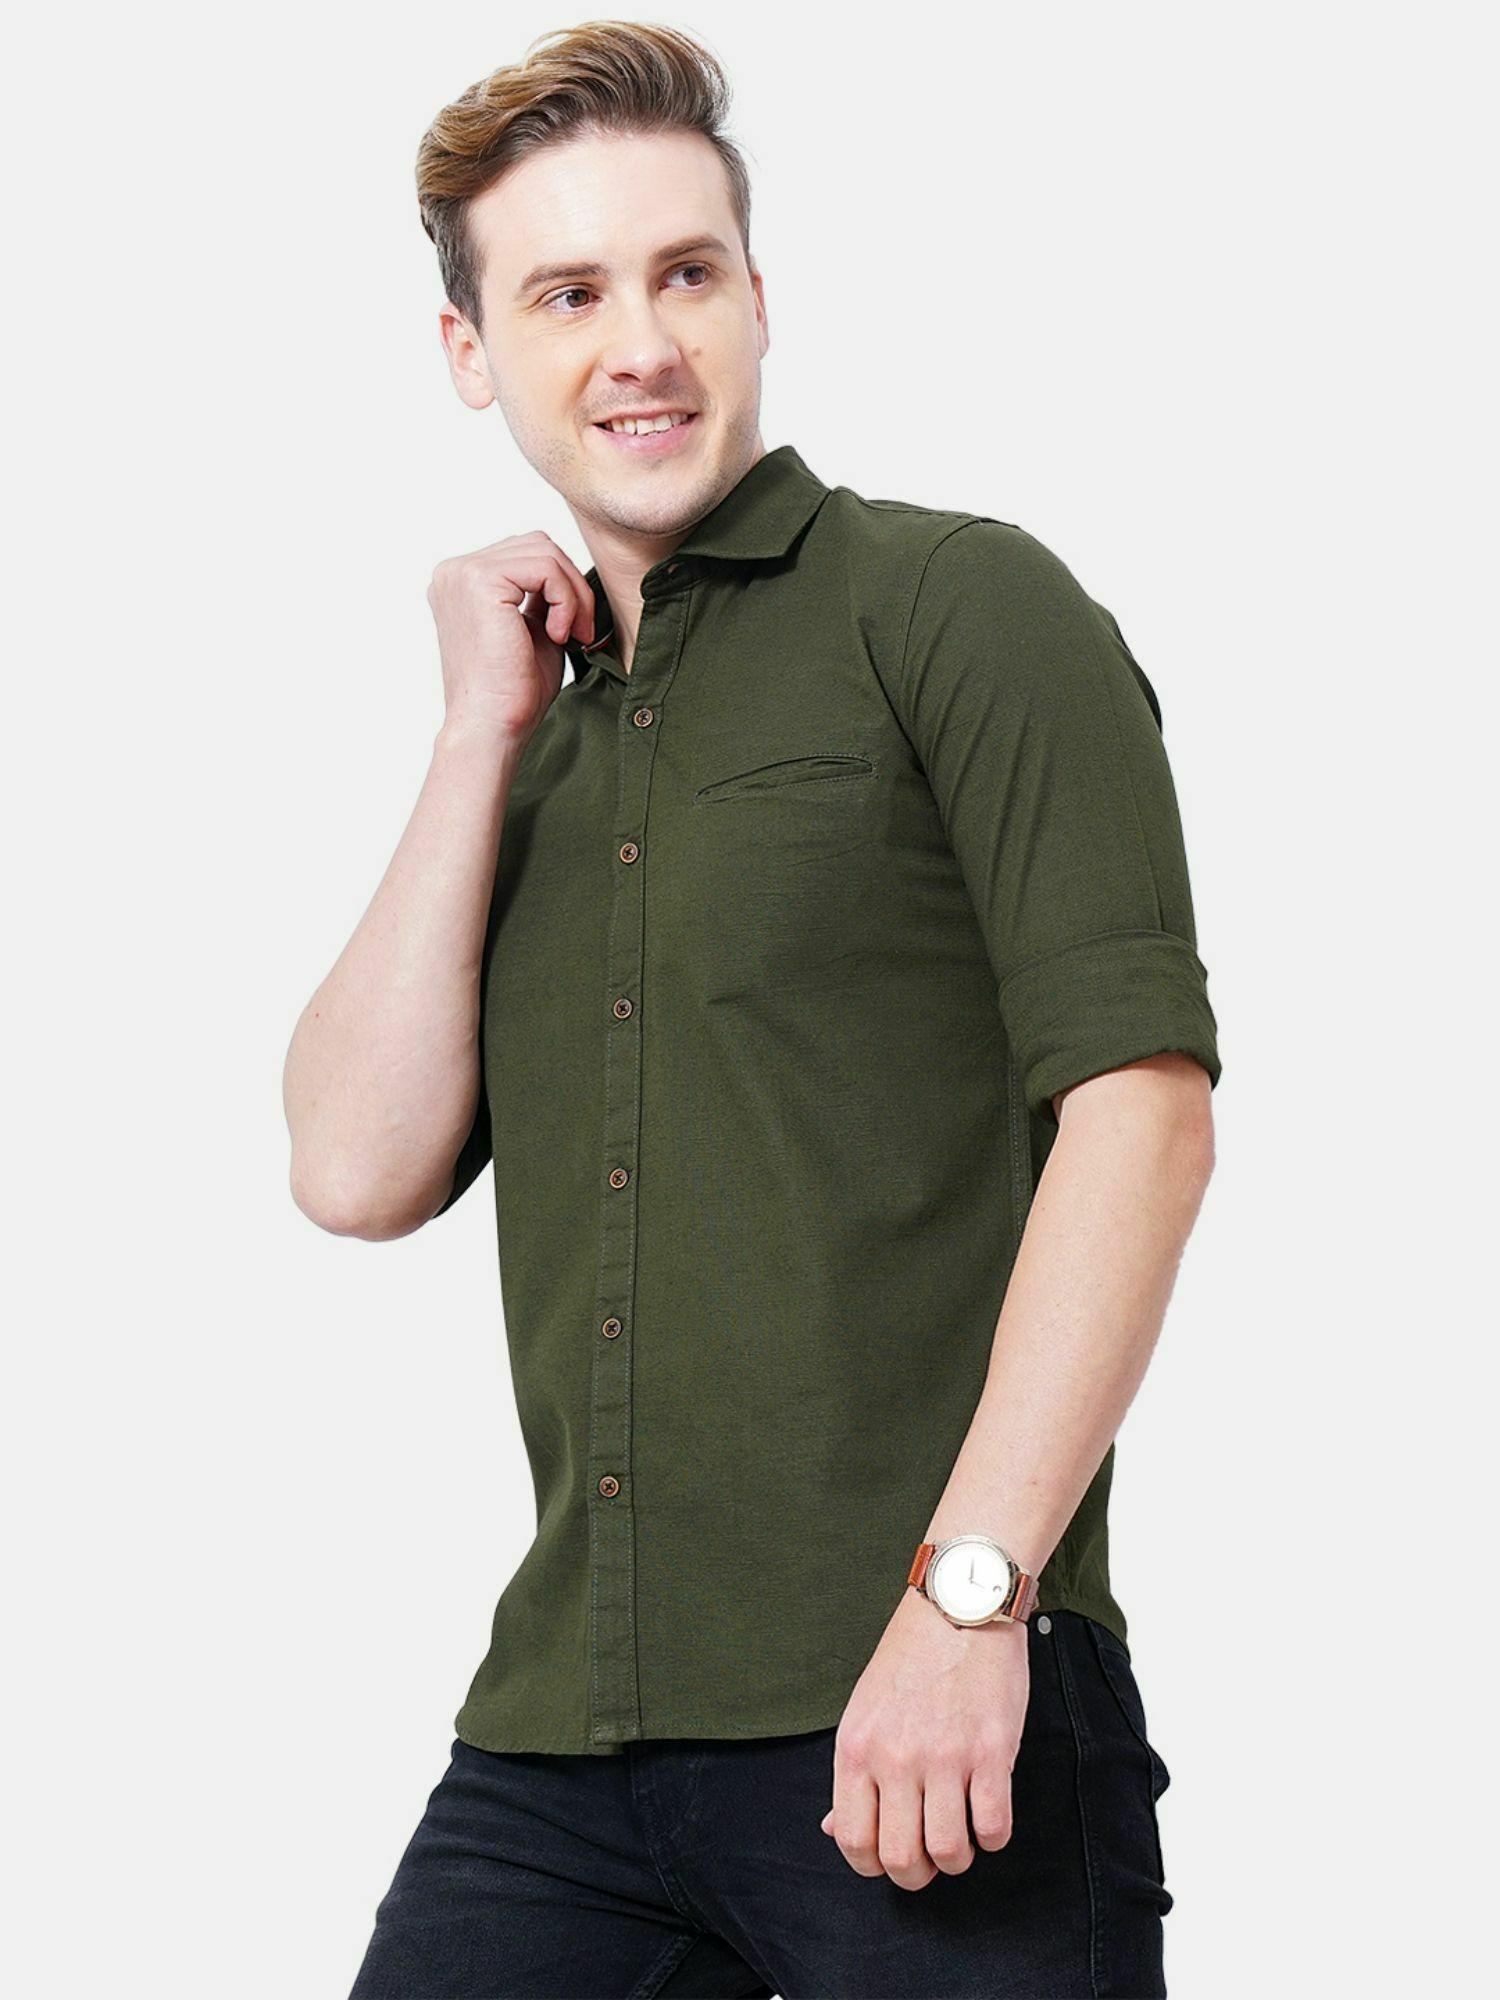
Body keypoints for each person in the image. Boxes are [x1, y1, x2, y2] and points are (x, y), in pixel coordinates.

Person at [282, 21, 1221, 1999]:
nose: (644, 344)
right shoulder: (525, 748)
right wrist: (472, 733)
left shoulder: (956, 608)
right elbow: (355, 1169)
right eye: (569, 294)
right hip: (561, 1742)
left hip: (922, 1703)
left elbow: (1142, 1113)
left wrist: (971, 1599)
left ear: (758, 298)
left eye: (686, 273)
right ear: (471, 353)